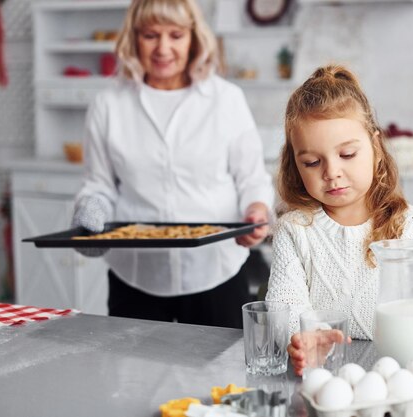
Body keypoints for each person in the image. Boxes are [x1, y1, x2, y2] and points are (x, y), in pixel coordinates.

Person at [265, 65, 413, 375]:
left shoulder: (412, 224)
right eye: (312, 162)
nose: (331, 172)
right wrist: (305, 337)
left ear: (374, 147)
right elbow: (285, 303)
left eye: (347, 155)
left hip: (406, 372)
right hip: (332, 374)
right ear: (295, 163)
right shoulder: (295, 230)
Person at [71, 0, 274, 329]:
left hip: (217, 269)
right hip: (136, 274)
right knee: (133, 377)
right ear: (134, 38)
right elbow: (100, 184)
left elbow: (252, 178)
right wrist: (90, 213)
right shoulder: (107, 104)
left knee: (222, 376)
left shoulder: (226, 99)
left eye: (176, 35)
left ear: (193, 38)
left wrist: (256, 211)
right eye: (151, 35)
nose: (163, 48)